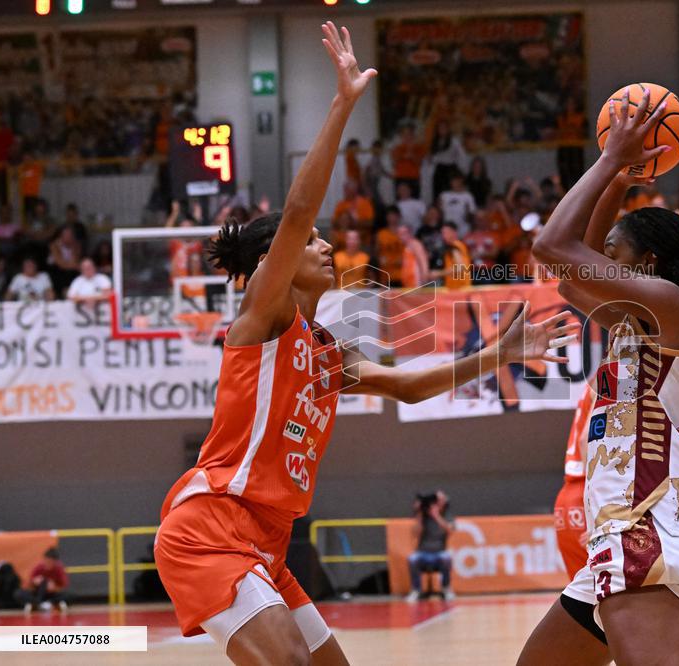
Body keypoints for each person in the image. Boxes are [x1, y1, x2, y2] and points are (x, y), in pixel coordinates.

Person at [153, 25, 578, 666]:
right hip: (210, 525)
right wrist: (343, 102)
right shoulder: (262, 319)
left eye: (326, 239)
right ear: (279, 260)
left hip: (268, 538)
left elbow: (406, 386)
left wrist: (500, 354)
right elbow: (296, 215)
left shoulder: (327, 347)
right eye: (314, 242)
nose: (326, 246)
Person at [520, 88, 679, 666]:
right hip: (624, 524)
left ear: (645, 265)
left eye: (614, 249)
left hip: (649, 519)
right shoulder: (638, 317)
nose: (602, 257)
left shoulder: (670, 306)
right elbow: (571, 280)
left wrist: (607, 161)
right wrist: (620, 183)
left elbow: (554, 247)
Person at [553, 386, 595, 580]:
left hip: (567, 497)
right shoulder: (618, 374)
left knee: (584, 594)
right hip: (585, 496)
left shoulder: (593, 383)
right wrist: (594, 512)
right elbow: (586, 439)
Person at [406, 491, 455, 602]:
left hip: (439, 552)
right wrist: (419, 513)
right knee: (412, 559)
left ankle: (446, 588)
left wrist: (436, 516)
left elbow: (450, 530)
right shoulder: (423, 517)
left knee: (447, 558)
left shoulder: (447, 516)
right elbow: (415, 533)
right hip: (423, 552)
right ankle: (416, 590)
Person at [19, 548, 69, 612]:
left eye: (51, 562)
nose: (48, 564)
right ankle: (41, 603)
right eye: (47, 561)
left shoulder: (59, 569)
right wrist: (34, 582)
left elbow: (64, 586)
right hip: (38, 593)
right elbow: (27, 585)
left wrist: (54, 588)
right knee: (19, 594)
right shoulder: (38, 567)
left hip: (52, 594)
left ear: (56, 562)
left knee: (69, 595)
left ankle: (42, 604)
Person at [390, 122, 425, 197]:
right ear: (401, 136)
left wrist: (411, 155)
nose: (407, 137)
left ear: (413, 135)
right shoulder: (397, 148)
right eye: (404, 134)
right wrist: (404, 156)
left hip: (414, 178)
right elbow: (394, 163)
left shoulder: (419, 148)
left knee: (415, 202)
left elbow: (419, 163)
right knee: (400, 204)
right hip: (400, 178)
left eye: (409, 134)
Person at [438, 171, 476, 235]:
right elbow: (440, 215)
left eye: (458, 180)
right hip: (448, 231)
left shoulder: (468, 196)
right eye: (453, 180)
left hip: (464, 231)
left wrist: (468, 213)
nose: (455, 182)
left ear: (462, 181)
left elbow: (472, 218)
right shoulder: (444, 195)